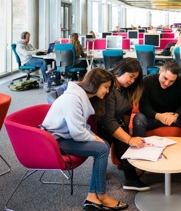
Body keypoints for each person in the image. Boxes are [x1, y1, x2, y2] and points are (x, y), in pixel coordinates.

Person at [41, 68, 128, 211]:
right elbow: (77, 133)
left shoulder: (81, 97)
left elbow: (80, 126)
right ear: (95, 83)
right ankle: (101, 196)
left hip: (64, 136)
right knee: (102, 148)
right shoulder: (73, 99)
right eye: (106, 87)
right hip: (53, 141)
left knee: (102, 145)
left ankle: (92, 198)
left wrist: (95, 137)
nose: (107, 91)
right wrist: (94, 138)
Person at [97, 58, 150, 191]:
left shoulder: (125, 88)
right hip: (102, 124)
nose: (132, 81)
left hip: (117, 120)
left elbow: (127, 109)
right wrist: (128, 138)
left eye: (134, 79)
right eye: (131, 76)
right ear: (121, 70)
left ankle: (131, 178)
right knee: (119, 141)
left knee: (127, 144)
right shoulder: (109, 87)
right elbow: (108, 121)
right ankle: (99, 178)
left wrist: (128, 130)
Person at [132, 60, 181, 140]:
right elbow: (144, 106)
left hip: (174, 117)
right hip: (154, 117)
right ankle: (140, 150)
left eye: (171, 81)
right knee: (139, 118)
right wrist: (158, 116)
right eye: (165, 78)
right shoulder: (147, 81)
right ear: (160, 71)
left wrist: (176, 115)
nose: (166, 83)